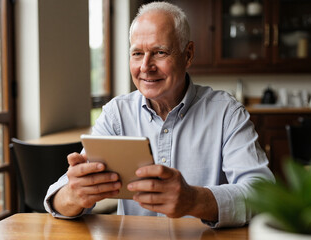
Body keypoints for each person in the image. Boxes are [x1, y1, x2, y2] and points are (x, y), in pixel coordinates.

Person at [44, 2, 274, 228]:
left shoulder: (227, 113)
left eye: (160, 52)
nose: (145, 66)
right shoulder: (116, 114)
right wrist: (73, 195)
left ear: (188, 54)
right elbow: (60, 198)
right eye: (137, 53)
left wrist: (194, 200)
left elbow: (263, 195)